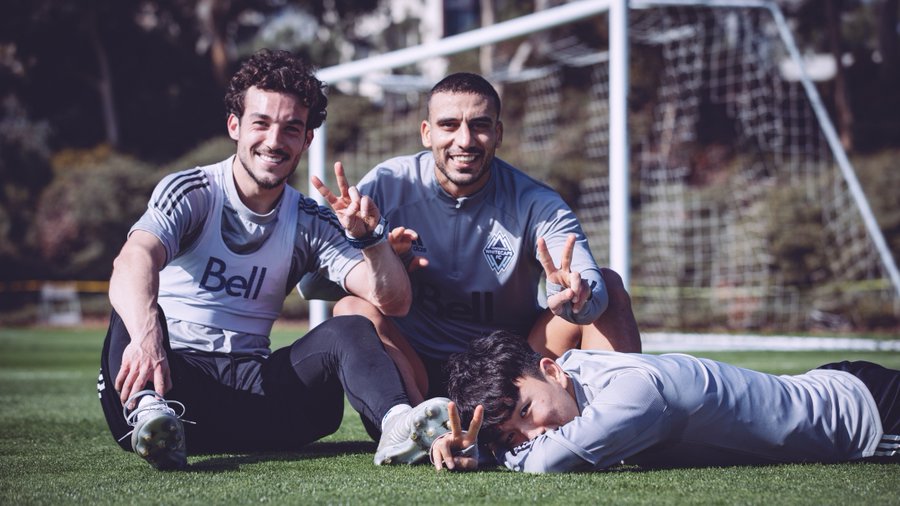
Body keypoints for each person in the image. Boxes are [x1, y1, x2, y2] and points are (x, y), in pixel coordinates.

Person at [97, 49, 452, 470]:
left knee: (350, 325)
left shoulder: (310, 221)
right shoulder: (194, 191)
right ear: (235, 125)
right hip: (167, 379)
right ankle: (154, 418)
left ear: (307, 140)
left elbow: (394, 302)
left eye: (291, 128)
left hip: (252, 395)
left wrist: (370, 240)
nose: (274, 140)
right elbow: (133, 258)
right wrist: (147, 338)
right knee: (137, 300)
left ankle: (397, 426)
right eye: (261, 123)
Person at [302, 72, 642, 406]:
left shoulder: (536, 202)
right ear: (427, 133)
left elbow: (591, 285)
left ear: (498, 133)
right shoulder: (388, 184)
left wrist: (576, 297)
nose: (465, 140)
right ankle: (412, 427)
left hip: (512, 376)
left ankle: (618, 423)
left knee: (610, 286)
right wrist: (379, 257)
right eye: (449, 125)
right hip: (416, 372)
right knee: (351, 309)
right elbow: (314, 286)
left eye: (479, 125)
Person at [430, 331, 900, 473]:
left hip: (871, 417)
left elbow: (547, 462)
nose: (535, 434)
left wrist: (494, 456)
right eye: (514, 436)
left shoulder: (637, 394)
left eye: (527, 412)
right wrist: (477, 447)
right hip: (829, 384)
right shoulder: (573, 377)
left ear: (551, 370)